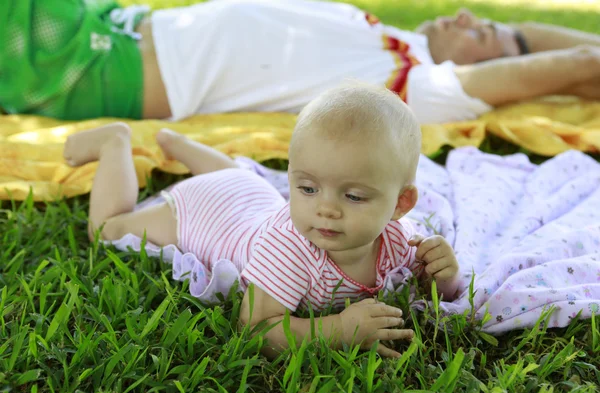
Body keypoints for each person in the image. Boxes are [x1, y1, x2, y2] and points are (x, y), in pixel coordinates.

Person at [62, 83, 460, 358]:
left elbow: (439, 295)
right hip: (205, 212)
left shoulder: (397, 238)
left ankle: (176, 144)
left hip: (247, 193)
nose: (325, 209)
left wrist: (443, 276)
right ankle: (114, 143)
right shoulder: (289, 250)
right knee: (109, 229)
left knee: (240, 177)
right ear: (291, 176)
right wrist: (338, 331)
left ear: (399, 204)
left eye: (353, 196)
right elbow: (255, 330)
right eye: (306, 188)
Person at [3, 0, 600, 125]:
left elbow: (577, 62)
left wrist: (529, 53)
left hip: (92, 66)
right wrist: (512, 37)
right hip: (108, 25)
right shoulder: (399, 40)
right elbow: (526, 38)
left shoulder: (423, 87)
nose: (468, 14)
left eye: (485, 32)